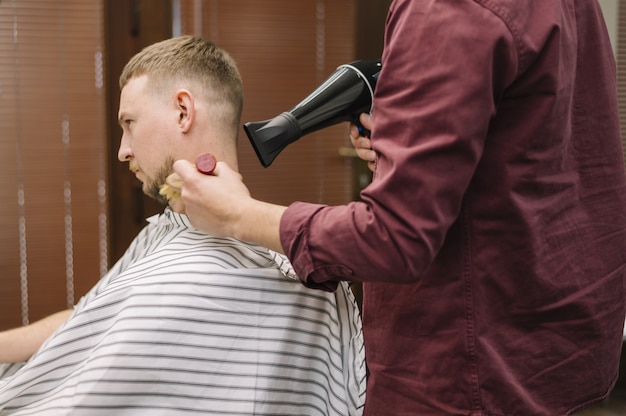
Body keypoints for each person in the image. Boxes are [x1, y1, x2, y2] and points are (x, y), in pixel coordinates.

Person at [172, 1, 626, 415]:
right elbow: (537, 151)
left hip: (474, 372)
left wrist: (236, 214)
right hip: (553, 351)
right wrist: (417, 149)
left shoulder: (449, 9)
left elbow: (395, 237)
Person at [0, 35, 365, 416]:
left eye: (130, 123)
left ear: (182, 112)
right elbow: (85, 319)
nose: (123, 150)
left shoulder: (232, 274)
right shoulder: (168, 228)